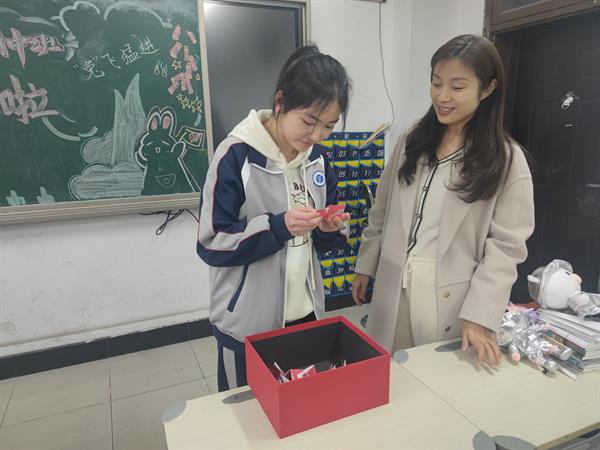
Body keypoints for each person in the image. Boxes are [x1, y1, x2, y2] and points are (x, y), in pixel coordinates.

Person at [352, 34, 534, 368]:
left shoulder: (506, 159)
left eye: (457, 87)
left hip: (451, 295)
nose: (442, 96)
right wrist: (366, 263)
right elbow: (382, 208)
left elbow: (506, 247)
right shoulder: (412, 139)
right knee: (389, 374)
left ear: (487, 89)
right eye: (436, 83)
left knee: (438, 380)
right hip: (395, 281)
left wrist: (481, 312)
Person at [197, 44, 352, 391]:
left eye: (329, 126)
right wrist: (278, 226)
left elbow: (324, 242)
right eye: (309, 121)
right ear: (281, 102)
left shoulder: (318, 161)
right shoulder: (235, 156)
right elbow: (211, 242)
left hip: (306, 317)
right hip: (247, 325)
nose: (316, 136)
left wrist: (329, 229)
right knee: (246, 415)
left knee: (300, 408)